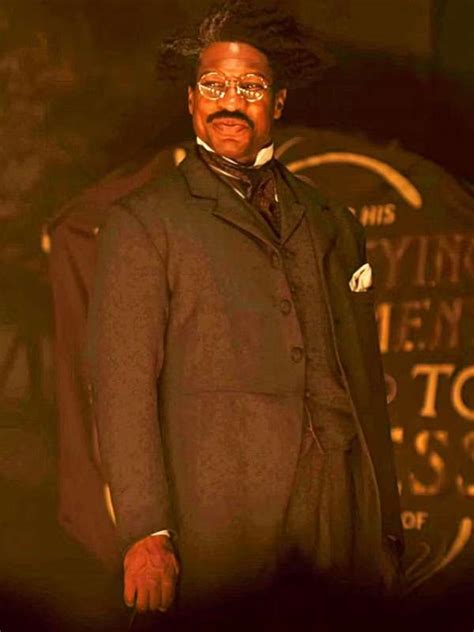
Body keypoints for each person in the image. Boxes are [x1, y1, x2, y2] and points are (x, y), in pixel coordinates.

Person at [86, 0, 404, 626]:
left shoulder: (334, 221)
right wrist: (146, 531)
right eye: (214, 86)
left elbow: (365, 381)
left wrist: (386, 523)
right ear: (191, 101)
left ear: (277, 102)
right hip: (222, 514)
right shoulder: (143, 222)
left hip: (342, 506)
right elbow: (121, 387)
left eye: (251, 87)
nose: (230, 102)